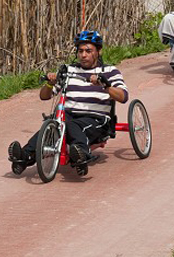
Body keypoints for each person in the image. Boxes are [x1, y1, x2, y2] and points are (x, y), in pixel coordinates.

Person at [7, 30, 128, 174]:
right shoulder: (69, 70)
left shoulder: (109, 71)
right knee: (54, 123)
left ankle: (81, 154)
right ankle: (24, 156)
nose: (83, 55)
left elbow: (123, 96)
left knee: (69, 124)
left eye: (88, 51)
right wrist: (50, 83)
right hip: (69, 116)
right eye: (81, 51)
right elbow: (44, 96)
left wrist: (105, 85)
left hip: (95, 119)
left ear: (98, 51)